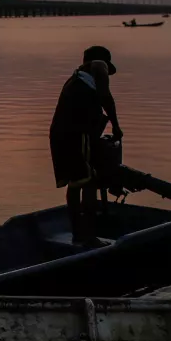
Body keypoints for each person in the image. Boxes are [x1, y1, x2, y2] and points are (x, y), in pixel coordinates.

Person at [49, 45, 123, 247]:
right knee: (90, 182)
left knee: (76, 182)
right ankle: (89, 236)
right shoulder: (98, 66)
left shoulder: (76, 80)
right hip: (75, 135)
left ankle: (78, 234)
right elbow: (106, 97)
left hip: (60, 136)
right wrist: (116, 126)